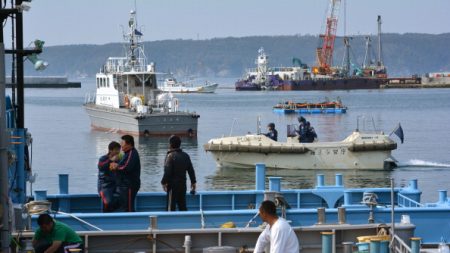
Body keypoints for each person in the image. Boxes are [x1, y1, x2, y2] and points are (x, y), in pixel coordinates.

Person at [161, 135, 197, 211]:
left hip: (172, 186)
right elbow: (191, 170)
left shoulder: (170, 156)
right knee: (182, 206)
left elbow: (167, 172)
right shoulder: (186, 156)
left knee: (170, 208)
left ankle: (170, 221)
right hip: (183, 185)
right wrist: (193, 182)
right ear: (179, 144)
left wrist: (163, 182)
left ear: (170, 144)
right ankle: (184, 221)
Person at [110, 135, 141, 212]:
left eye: (123, 143)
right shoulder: (126, 153)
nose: (121, 145)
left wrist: (116, 167)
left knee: (129, 207)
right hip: (124, 185)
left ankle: (132, 222)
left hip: (130, 185)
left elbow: (126, 167)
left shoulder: (132, 153)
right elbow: (121, 165)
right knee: (124, 205)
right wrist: (115, 165)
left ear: (129, 144)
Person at [97, 141, 121, 212]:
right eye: (116, 150)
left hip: (116, 185)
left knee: (122, 200)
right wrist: (110, 160)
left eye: (119, 150)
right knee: (108, 202)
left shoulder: (119, 160)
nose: (118, 152)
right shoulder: (103, 158)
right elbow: (101, 167)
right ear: (110, 150)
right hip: (105, 186)